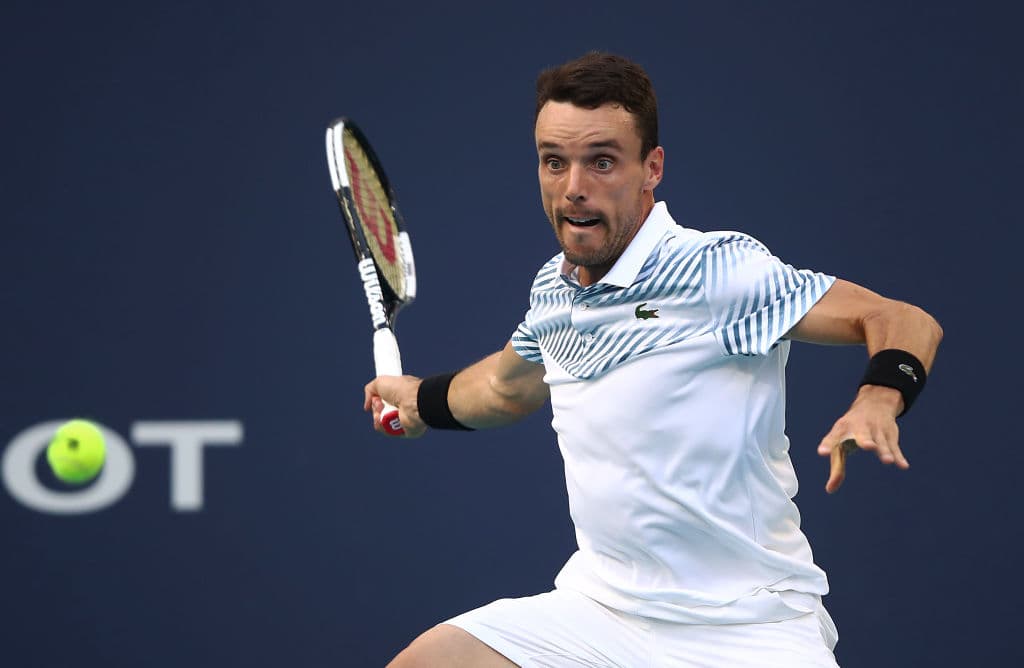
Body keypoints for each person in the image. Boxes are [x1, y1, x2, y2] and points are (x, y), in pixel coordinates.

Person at [364, 52, 942, 667]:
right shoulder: (555, 291)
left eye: (602, 161)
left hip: (750, 625)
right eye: (553, 161)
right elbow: (508, 387)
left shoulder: (717, 271)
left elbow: (902, 320)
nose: (573, 186)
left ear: (652, 168)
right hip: (601, 611)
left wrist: (877, 400)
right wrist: (421, 401)